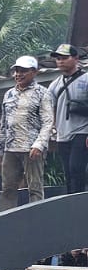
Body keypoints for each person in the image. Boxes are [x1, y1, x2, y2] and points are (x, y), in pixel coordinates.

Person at [0, 56, 55, 211]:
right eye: (16, 71)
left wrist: (39, 145)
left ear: (34, 72)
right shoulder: (8, 94)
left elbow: (48, 122)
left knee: (34, 187)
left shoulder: (43, 93)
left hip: (31, 149)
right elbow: (4, 124)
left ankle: (37, 221)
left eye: (23, 71)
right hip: (10, 148)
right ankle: (4, 221)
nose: (18, 74)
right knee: (7, 188)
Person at [47, 43, 88, 195]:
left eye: (64, 58)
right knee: (68, 173)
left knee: (76, 168)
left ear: (76, 58)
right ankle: (71, 203)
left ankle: (80, 203)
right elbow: (47, 109)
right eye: (58, 58)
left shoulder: (86, 79)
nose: (60, 61)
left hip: (82, 132)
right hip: (62, 135)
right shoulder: (54, 84)